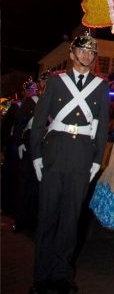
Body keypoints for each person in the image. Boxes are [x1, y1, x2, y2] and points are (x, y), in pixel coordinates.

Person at [29, 33, 110, 294]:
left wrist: (97, 160)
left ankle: (62, 274)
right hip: (54, 155)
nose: (87, 55)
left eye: (91, 52)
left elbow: (101, 127)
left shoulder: (100, 86)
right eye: (82, 50)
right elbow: (39, 121)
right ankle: (41, 276)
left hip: (81, 159)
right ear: (72, 54)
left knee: (70, 219)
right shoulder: (55, 82)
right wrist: (37, 156)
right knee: (48, 217)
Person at [12, 73, 50, 233]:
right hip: (29, 146)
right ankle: (21, 220)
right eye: (43, 83)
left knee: (40, 187)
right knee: (26, 183)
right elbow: (19, 123)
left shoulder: (53, 103)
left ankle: (36, 220)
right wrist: (19, 143)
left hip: (46, 146)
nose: (44, 86)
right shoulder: (30, 102)